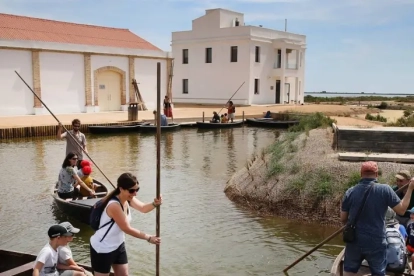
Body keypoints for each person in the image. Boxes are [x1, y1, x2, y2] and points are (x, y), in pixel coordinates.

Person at [341, 161, 414, 276]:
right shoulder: (385, 190)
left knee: (349, 271)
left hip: (354, 240)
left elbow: (343, 218)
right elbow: (401, 210)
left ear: (361, 174)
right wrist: (410, 189)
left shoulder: (350, 192)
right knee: (378, 272)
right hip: (376, 241)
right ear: (376, 175)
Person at [90, 172, 162, 276]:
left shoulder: (128, 199)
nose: (135, 193)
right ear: (121, 189)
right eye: (132, 190)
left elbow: (143, 208)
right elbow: (127, 229)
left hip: (118, 245)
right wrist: (149, 238)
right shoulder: (114, 205)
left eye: (137, 189)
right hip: (103, 248)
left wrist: (155, 204)